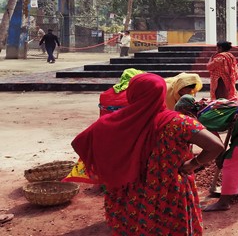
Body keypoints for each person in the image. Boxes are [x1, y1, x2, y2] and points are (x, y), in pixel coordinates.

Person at [71, 73, 225, 235]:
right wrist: (192, 164)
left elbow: (79, 143)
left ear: (131, 94)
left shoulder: (114, 122)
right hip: (168, 192)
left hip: (127, 192)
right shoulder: (179, 122)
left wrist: (110, 162)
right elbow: (216, 146)